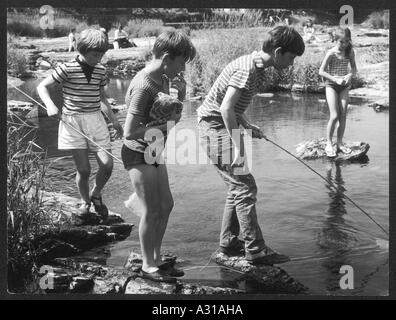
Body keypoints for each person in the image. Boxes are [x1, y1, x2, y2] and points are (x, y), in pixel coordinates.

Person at [197, 25, 305, 265]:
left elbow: (233, 107)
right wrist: (240, 148)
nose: (291, 62)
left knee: (237, 187)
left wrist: (247, 124)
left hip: (218, 126)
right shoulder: (247, 69)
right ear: (278, 52)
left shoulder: (256, 68)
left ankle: (228, 243)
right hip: (214, 128)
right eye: (291, 57)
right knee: (246, 187)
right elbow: (224, 109)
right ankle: (255, 250)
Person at [121, 30, 195, 283]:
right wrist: (165, 129)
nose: (182, 68)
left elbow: (170, 113)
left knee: (166, 205)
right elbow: (128, 131)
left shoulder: (163, 78)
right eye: (181, 62)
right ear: (166, 57)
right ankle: (147, 265)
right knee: (151, 210)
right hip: (138, 152)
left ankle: (158, 258)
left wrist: (181, 94)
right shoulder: (144, 85)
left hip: (154, 150)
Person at [37, 28, 123, 218]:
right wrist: (51, 105)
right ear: (82, 50)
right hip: (72, 122)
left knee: (107, 165)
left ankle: (96, 193)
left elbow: (102, 98)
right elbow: (42, 87)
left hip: (96, 120)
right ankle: (85, 201)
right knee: (84, 170)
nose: (99, 58)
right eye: (95, 54)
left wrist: (115, 121)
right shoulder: (67, 68)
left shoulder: (101, 70)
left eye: (102, 54)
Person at [319, 27, 357, 157]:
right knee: (334, 116)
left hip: (344, 86)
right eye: (341, 42)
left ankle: (339, 143)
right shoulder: (331, 53)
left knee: (343, 115)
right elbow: (321, 71)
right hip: (331, 86)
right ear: (336, 40)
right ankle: (329, 144)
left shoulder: (350, 52)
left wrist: (349, 76)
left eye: (346, 41)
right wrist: (335, 79)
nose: (344, 44)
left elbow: (354, 69)